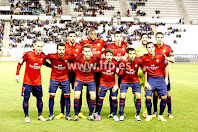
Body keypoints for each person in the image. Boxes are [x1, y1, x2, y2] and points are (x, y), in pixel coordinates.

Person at [16, 40, 48, 123]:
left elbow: (46, 63)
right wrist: (17, 74)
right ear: (34, 46)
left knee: (39, 98)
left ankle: (40, 115)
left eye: (41, 46)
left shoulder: (43, 56)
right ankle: (26, 116)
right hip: (27, 81)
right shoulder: (28, 54)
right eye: (38, 46)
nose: (39, 48)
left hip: (37, 82)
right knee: (26, 98)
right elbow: (20, 63)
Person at [56, 31, 84, 119]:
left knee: (79, 93)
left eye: (74, 36)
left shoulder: (80, 47)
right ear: (68, 37)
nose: (72, 38)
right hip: (66, 74)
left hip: (77, 74)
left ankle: (79, 112)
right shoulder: (64, 46)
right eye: (71, 36)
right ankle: (62, 112)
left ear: (76, 37)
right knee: (64, 93)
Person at [81, 29, 107, 116]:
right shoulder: (84, 43)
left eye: (95, 34)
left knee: (97, 90)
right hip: (88, 70)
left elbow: (109, 47)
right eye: (91, 34)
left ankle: (96, 109)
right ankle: (90, 108)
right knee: (89, 90)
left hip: (99, 71)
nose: (93, 35)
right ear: (88, 35)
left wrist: (102, 53)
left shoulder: (101, 42)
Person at [141, 42, 169, 122]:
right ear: (147, 49)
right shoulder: (144, 58)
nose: (151, 49)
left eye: (152, 47)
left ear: (154, 48)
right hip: (150, 79)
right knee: (148, 97)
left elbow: (167, 65)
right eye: (149, 47)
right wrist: (145, 82)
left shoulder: (161, 56)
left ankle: (160, 115)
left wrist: (166, 78)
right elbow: (144, 71)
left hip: (160, 78)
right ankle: (149, 115)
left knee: (164, 97)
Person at [46, 43, 73, 121]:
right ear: (57, 50)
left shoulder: (69, 56)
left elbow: (76, 59)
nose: (61, 51)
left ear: (65, 50)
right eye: (60, 49)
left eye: (63, 50)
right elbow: (44, 58)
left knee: (67, 96)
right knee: (52, 95)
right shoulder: (52, 56)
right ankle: (51, 115)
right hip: (54, 79)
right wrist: (49, 65)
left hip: (65, 79)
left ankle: (67, 115)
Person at [73, 44, 99, 121]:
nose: (87, 53)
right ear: (83, 52)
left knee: (93, 96)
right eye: (86, 51)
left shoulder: (94, 58)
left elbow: (103, 60)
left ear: (91, 52)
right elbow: (70, 59)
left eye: (89, 51)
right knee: (77, 96)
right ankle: (76, 115)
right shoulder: (78, 58)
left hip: (90, 79)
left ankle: (91, 114)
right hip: (79, 79)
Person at [119, 48, 146, 122]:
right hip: (125, 81)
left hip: (135, 81)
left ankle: (137, 115)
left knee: (138, 96)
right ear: (127, 54)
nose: (132, 55)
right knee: (122, 96)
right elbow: (118, 73)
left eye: (133, 54)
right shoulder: (123, 61)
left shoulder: (139, 61)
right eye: (130, 54)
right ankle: (121, 114)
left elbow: (145, 71)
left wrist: (146, 82)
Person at [105, 30, 127, 118]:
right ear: (114, 38)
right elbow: (106, 56)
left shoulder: (125, 46)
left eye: (119, 36)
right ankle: (112, 111)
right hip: (112, 73)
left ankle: (122, 111)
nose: (118, 38)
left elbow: (127, 55)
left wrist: (124, 57)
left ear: (122, 37)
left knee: (122, 93)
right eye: (116, 37)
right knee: (113, 92)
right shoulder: (110, 46)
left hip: (122, 73)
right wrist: (114, 57)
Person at [152, 32, 175, 119]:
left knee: (167, 93)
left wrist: (167, 58)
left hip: (165, 75)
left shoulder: (167, 48)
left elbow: (173, 59)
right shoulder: (153, 47)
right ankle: (155, 111)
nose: (160, 39)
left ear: (163, 38)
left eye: (161, 37)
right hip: (155, 75)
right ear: (156, 38)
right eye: (158, 37)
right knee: (155, 93)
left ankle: (169, 112)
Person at [95, 49, 120, 121]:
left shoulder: (116, 63)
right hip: (103, 83)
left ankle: (114, 114)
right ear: (105, 56)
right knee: (100, 98)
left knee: (114, 98)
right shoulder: (101, 63)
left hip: (112, 84)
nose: (109, 57)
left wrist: (116, 84)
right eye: (107, 55)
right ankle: (98, 114)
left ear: (112, 56)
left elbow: (116, 74)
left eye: (110, 55)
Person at [135, 33, 149, 118]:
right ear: (141, 39)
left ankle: (145, 111)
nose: (144, 39)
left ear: (148, 39)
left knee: (147, 93)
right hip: (137, 74)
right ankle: (137, 111)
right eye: (143, 37)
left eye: (146, 37)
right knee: (136, 94)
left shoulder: (151, 48)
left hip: (147, 75)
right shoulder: (137, 49)